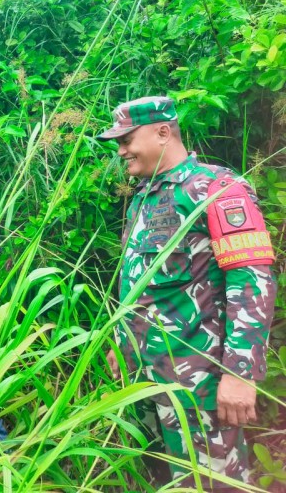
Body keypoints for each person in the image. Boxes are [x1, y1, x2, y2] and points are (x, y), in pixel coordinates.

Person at [96, 96, 277, 490]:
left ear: (163, 132)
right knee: (166, 479)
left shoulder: (218, 189)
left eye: (127, 139)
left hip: (199, 382)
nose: (121, 150)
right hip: (147, 377)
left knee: (213, 483)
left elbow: (251, 280)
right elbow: (140, 281)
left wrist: (239, 373)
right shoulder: (145, 196)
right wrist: (121, 342)